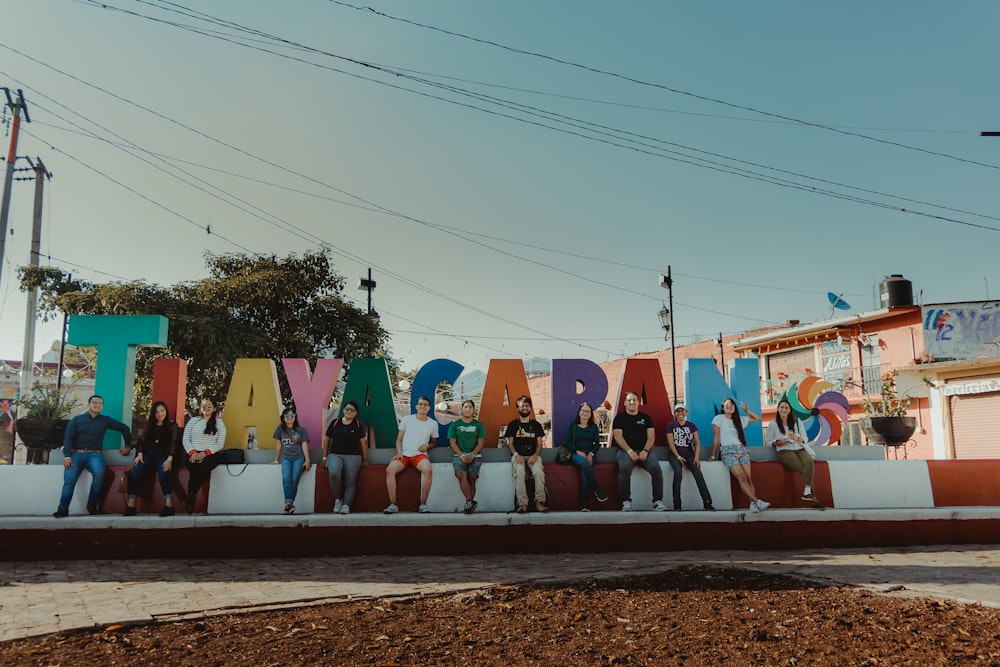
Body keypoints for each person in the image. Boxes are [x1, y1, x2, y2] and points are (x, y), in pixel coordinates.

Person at [53, 394, 132, 518]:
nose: (97, 405)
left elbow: (124, 428)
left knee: (100, 474)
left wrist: (127, 446)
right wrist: (67, 456)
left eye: (100, 403)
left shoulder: (105, 420)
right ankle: (62, 508)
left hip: (95, 455)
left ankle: (92, 506)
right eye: (94, 402)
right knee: (69, 480)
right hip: (76, 454)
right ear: (88, 404)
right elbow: (68, 438)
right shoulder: (77, 420)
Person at [611, 392, 668, 512]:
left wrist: (646, 451)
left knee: (656, 470)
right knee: (625, 468)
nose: (632, 402)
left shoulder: (646, 418)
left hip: (644, 451)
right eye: (629, 400)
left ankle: (657, 501)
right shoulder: (619, 418)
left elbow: (651, 437)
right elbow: (618, 437)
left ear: (638, 402)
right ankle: (626, 502)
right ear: (625, 403)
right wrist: (630, 451)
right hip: (625, 451)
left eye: (634, 400)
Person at [124, 401, 181, 517]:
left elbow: (174, 444)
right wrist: (139, 453)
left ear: (166, 411)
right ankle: (131, 506)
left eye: (162, 411)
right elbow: (141, 442)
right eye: (157, 412)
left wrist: (170, 459)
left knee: (163, 473)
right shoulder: (150, 425)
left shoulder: (172, 426)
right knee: (135, 472)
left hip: (164, 455)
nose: (160, 414)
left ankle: (169, 506)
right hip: (148, 455)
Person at [711, 398, 769, 512]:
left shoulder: (739, 420)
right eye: (727, 405)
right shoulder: (718, 419)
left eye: (732, 404)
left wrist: (747, 412)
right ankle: (757, 501)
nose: (729, 406)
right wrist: (713, 456)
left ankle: (752, 504)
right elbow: (716, 439)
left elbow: (756, 418)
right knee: (741, 477)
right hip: (728, 452)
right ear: (723, 407)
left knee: (748, 478)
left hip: (742, 450)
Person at [384, 396, 438, 514]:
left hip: (419, 455)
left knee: (428, 470)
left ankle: (423, 504)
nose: (423, 406)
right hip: (404, 455)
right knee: (390, 470)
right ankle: (393, 504)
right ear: (416, 406)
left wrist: (427, 446)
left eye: (425, 405)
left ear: (429, 407)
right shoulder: (407, 419)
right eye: (420, 404)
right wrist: (399, 453)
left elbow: (434, 442)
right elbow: (398, 440)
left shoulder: (433, 424)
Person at [767, 398, 823, 508]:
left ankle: (807, 493)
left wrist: (795, 437)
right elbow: (769, 441)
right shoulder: (773, 424)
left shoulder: (796, 421)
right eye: (782, 407)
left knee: (809, 462)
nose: (784, 409)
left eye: (786, 408)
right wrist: (778, 442)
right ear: (778, 409)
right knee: (804, 469)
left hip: (799, 448)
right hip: (784, 451)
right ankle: (813, 499)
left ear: (789, 410)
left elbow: (805, 439)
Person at [665, 403, 715, 512]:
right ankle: (677, 504)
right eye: (677, 411)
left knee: (698, 475)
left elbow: (697, 442)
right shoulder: (671, 425)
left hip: (689, 454)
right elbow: (671, 443)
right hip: (675, 454)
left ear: (686, 412)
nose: (680, 413)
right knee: (678, 473)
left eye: (682, 411)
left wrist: (696, 457)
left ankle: (707, 503)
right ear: (674, 413)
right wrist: (678, 457)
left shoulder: (691, 425)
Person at [181, 397, 227, 513]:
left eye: (209, 406)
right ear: (200, 408)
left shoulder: (219, 423)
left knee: (203, 467)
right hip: (192, 453)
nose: (206, 408)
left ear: (214, 409)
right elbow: (186, 439)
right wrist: (193, 453)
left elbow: (220, 443)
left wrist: (205, 453)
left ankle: (190, 496)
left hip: (210, 454)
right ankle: (191, 497)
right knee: (194, 468)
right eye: (204, 406)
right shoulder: (193, 421)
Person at [322, 400, 369, 515]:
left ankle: (346, 505)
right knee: (334, 473)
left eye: (352, 410)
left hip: (353, 456)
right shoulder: (335, 422)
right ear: (343, 410)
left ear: (356, 413)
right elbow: (327, 439)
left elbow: (363, 443)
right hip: (335, 454)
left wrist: (364, 459)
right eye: (347, 409)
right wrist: (324, 457)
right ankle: (338, 499)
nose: (349, 412)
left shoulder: (358, 424)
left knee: (350, 482)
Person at [505, 395, 548, 513]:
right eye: (522, 406)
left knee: (538, 472)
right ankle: (522, 504)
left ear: (530, 408)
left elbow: (540, 444)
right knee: (519, 473)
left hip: (533, 455)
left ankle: (539, 502)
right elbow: (510, 444)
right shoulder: (513, 425)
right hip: (518, 455)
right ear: (517, 408)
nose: (525, 408)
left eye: (527, 406)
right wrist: (516, 455)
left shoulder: (536, 425)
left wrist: (535, 456)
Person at [564, 402, 608, 511]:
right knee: (583, 463)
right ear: (579, 412)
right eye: (583, 410)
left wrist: (591, 454)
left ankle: (584, 505)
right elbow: (567, 442)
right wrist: (577, 451)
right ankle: (597, 490)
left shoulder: (593, 427)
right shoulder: (572, 425)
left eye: (587, 411)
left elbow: (597, 444)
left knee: (585, 472)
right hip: (576, 455)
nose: (585, 413)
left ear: (590, 414)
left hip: (590, 455)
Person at [448, 399, 486, 514]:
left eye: (470, 407)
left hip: (475, 455)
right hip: (458, 455)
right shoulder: (455, 425)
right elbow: (452, 442)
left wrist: (472, 455)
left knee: (472, 478)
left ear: (473, 410)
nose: (468, 409)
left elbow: (481, 443)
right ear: (462, 409)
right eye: (465, 407)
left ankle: (469, 505)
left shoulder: (479, 425)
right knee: (461, 474)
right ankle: (469, 501)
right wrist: (461, 455)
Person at [271, 406, 311, 514]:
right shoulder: (280, 429)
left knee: (295, 479)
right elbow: (278, 445)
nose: (289, 418)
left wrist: (307, 460)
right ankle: (289, 504)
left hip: (299, 458)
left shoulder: (301, 430)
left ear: (295, 417)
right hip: (286, 459)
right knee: (286, 478)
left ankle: (288, 504)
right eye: (287, 415)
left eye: (292, 415)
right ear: (283, 417)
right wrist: (276, 460)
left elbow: (304, 445)